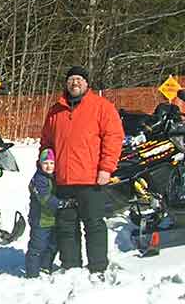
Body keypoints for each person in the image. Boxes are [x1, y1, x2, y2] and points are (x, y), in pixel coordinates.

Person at [39, 66, 124, 274]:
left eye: (79, 79)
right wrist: (45, 166)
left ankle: (98, 267)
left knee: (93, 224)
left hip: (91, 179)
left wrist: (106, 168)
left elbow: (113, 138)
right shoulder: (55, 111)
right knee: (66, 226)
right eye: (71, 79)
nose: (75, 82)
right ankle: (71, 266)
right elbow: (46, 143)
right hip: (63, 179)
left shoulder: (101, 107)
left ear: (87, 83)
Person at [25, 149, 67, 278]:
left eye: (52, 163)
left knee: (53, 245)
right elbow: (44, 198)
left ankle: (45, 266)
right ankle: (32, 273)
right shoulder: (39, 179)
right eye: (46, 163)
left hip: (53, 219)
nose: (49, 166)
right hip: (40, 220)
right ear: (40, 164)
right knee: (37, 247)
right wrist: (61, 203)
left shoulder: (54, 177)